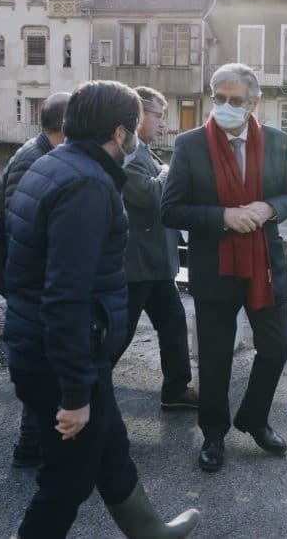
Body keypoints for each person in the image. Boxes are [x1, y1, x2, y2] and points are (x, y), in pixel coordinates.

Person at [3, 81, 199, 538]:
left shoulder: (46, 165)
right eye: (132, 128)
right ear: (118, 132)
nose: (134, 137)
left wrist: (26, 317)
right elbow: (67, 295)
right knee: (66, 481)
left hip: (43, 344)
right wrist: (74, 394)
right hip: (63, 356)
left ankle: (148, 530)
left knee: (111, 445)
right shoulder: (87, 186)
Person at [161, 63, 287, 473]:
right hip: (214, 265)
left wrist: (269, 207)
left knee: (276, 347)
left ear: (254, 103)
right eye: (219, 99)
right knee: (215, 356)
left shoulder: (276, 142)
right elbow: (169, 209)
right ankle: (213, 434)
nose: (225, 107)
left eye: (235, 101)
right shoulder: (190, 145)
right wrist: (223, 216)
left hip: (264, 266)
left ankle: (254, 418)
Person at [0, 90, 70, 469]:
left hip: (19, 274)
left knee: (42, 361)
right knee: (42, 361)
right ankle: (31, 445)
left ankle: (33, 444)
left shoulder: (41, 154)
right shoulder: (34, 161)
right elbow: (23, 233)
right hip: (19, 276)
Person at [115, 86, 199, 410]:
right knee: (118, 336)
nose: (163, 124)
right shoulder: (130, 155)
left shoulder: (144, 152)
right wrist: (171, 171)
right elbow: (149, 197)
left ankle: (176, 389)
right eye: (159, 116)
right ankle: (83, 392)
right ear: (138, 117)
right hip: (136, 264)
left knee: (173, 324)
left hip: (153, 262)